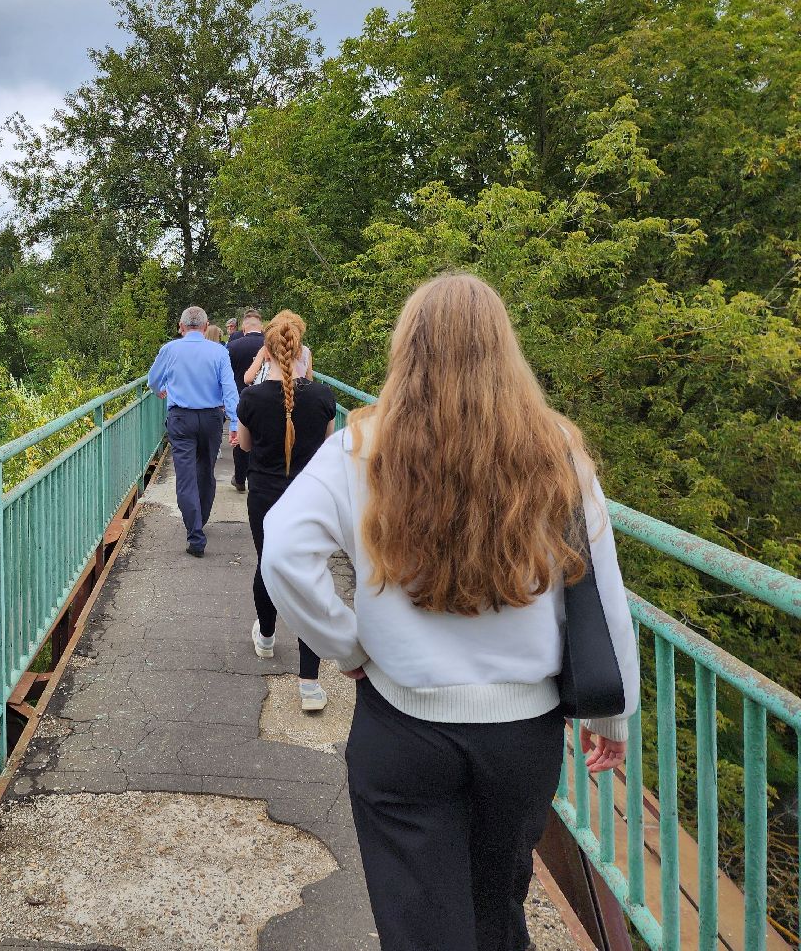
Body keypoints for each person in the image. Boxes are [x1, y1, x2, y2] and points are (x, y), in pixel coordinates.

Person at [261, 273, 639, 951]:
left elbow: (284, 553)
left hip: (404, 727)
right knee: (497, 910)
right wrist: (613, 714)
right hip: (523, 736)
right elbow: (604, 593)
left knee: (421, 925)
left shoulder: (361, 445)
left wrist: (349, 648)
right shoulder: (557, 450)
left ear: (407, 350)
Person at [235, 310, 335, 711]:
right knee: (310, 577)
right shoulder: (323, 398)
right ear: (300, 350)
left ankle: (267, 636)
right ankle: (309, 684)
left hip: (264, 495)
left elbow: (243, 446)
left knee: (266, 564)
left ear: (269, 351)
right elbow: (327, 450)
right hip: (310, 499)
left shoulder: (253, 399)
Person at [147, 306, 239, 557]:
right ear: (206, 325)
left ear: (181, 326)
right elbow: (229, 388)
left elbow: (153, 380)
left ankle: (195, 532)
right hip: (211, 419)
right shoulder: (219, 351)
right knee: (206, 470)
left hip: (181, 418)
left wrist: (159, 390)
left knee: (186, 475)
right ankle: (201, 518)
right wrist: (234, 423)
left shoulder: (170, 350)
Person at [226, 308, 266, 490]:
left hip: (240, 397)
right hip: (267, 397)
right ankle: (257, 476)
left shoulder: (233, 346)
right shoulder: (271, 345)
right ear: (262, 327)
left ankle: (240, 478)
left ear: (243, 327)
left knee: (241, 438)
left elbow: (226, 376)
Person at [244, 326, 313, 384]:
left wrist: (261, 355)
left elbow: (248, 379)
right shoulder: (321, 393)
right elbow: (309, 380)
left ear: (267, 354)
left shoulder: (251, 395)